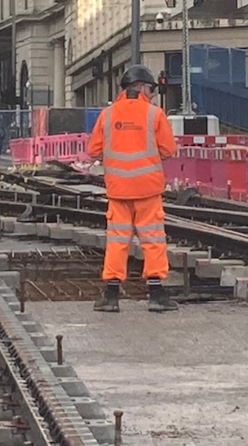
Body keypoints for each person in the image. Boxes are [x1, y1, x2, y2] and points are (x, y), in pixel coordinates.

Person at [87, 65, 178, 313]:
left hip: (118, 191)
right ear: (139, 87)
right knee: (153, 240)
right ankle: (157, 295)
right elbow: (169, 150)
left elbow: (93, 150)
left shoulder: (107, 115)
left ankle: (111, 296)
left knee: (117, 242)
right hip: (148, 190)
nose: (151, 93)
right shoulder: (154, 114)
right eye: (150, 89)